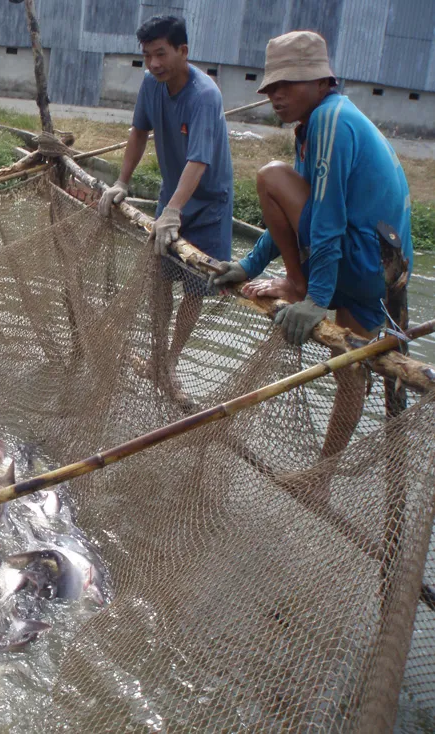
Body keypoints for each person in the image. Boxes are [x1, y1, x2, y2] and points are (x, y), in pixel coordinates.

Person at [209, 31, 413, 480]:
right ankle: (323, 476)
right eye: (271, 88)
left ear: (322, 82)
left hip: (357, 258)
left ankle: (299, 283)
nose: (276, 96)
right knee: (350, 374)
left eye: (289, 84)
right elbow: (303, 209)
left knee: (268, 175)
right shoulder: (320, 123)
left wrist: (313, 296)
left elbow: (324, 222)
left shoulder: (330, 121)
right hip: (382, 271)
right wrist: (249, 264)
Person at [98, 15, 233, 405]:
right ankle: (158, 357)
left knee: (194, 288)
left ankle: (169, 365)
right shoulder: (151, 85)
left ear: (182, 51)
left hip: (208, 205)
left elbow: (199, 162)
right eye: (147, 56)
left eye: (161, 54)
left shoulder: (204, 96)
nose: (154, 63)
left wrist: (173, 213)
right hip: (171, 195)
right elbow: (138, 132)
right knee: (161, 279)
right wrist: (122, 182)